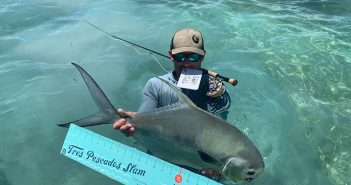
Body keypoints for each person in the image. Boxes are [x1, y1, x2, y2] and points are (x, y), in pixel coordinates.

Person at [113, 28, 231, 181]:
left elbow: (221, 136)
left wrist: (218, 168)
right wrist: (132, 122)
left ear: (203, 56)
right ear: (171, 56)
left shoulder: (216, 91)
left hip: (201, 167)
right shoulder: (156, 85)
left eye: (194, 57)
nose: (188, 63)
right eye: (181, 57)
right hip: (161, 160)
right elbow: (144, 120)